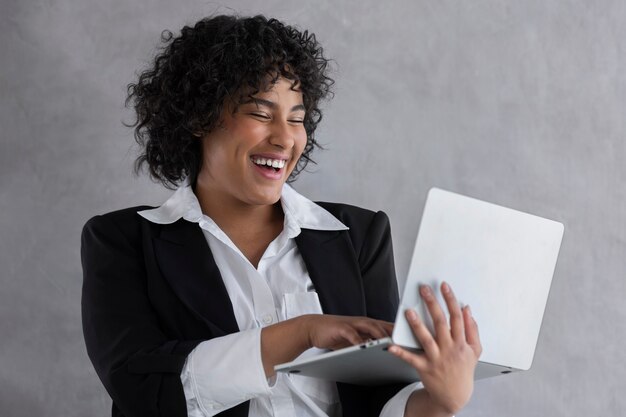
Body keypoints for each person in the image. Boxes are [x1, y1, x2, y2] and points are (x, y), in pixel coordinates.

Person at [81, 14, 482, 417]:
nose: (285, 137)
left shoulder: (358, 235)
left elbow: (379, 398)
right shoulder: (123, 241)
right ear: (199, 118)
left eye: (296, 118)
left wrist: (438, 401)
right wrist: (299, 333)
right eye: (260, 113)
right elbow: (144, 391)